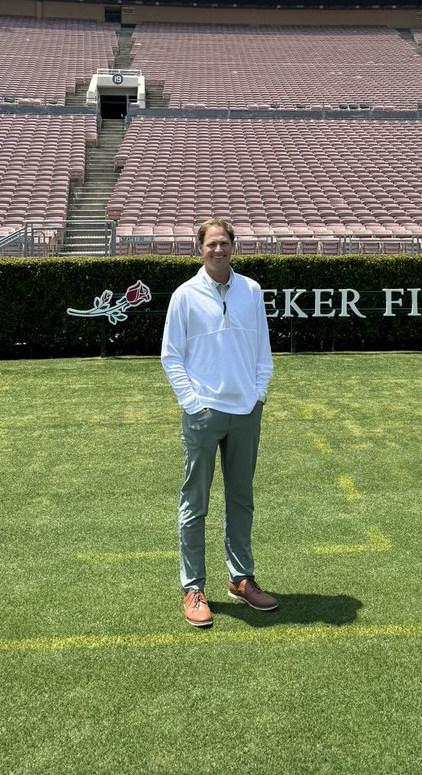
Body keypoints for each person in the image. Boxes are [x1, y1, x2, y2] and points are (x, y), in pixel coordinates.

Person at [161, 217, 278, 628]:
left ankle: (241, 580)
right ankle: (193, 589)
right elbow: (171, 356)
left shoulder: (252, 291)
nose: (218, 249)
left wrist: (258, 394)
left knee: (241, 499)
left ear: (233, 247)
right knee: (196, 502)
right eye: (211, 243)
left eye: (224, 243)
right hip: (204, 414)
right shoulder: (184, 295)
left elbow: (263, 350)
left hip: (246, 411)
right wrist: (193, 403)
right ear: (200, 248)